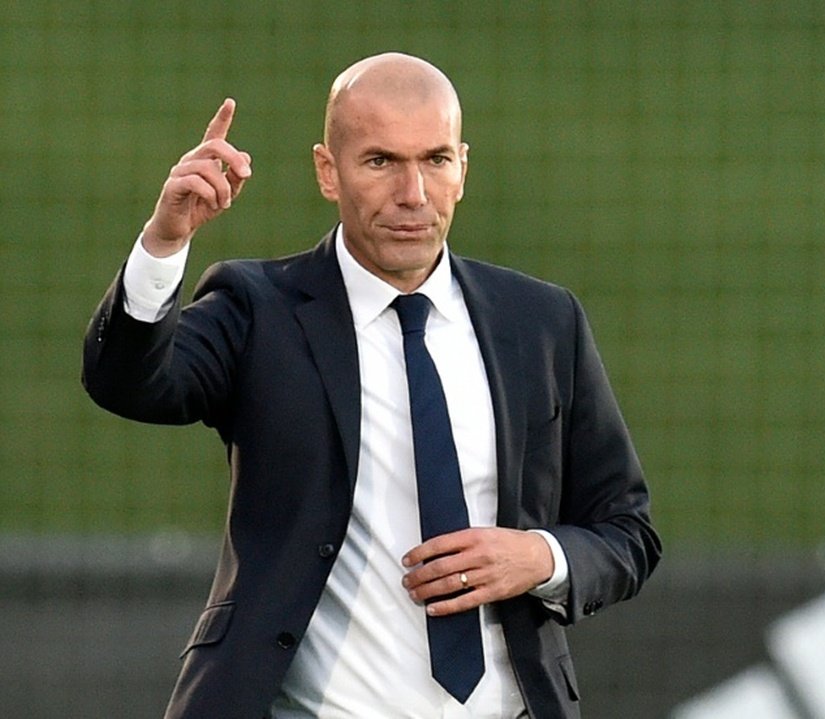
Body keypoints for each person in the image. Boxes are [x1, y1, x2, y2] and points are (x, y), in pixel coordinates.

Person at [82, 52, 660, 719]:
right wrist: (165, 239)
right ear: (329, 172)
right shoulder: (257, 308)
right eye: (381, 161)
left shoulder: (541, 321)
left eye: (435, 160)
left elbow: (627, 532)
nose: (412, 193)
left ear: (463, 168)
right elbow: (128, 383)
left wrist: (539, 556)